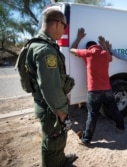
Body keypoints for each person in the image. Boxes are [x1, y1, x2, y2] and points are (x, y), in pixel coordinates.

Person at [26, 9, 77, 167]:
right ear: (56, 23)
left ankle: (60, 160)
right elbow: (51, 88)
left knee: (56, 138)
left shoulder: (40, 44)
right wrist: (62, 112)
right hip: (52, 108)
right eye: (65, 26)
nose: (65, 30)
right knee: (53, 140)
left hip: (47, 105)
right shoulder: (46, 50)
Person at [70, 28, 125, 145]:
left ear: (88, 47)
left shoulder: (87, 53)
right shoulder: (105, 54)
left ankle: (86, 139)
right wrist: (104, 45)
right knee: (114, 110)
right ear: (97, 46)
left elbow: (72, 50)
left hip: (94, 91)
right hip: (107, 89)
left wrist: (79, 38)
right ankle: (121, 127)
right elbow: (110, 57)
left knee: (92, 115)